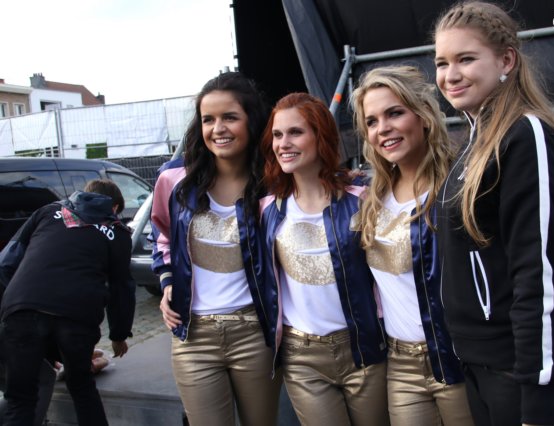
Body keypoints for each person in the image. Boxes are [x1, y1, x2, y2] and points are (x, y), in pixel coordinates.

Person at [433, 2, 554, 425]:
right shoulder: (473, 140)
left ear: (506, 61)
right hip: (480, 365)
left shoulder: (525, 135)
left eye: (466, 59)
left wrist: (537, 393)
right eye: (442, 63)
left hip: (519, 374)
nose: (450, 75)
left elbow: (535, 274)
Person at [150, 72, 281, 426]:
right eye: (208, 119)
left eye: (230, 117)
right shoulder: (174, 180)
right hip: (194, 336)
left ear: (251, 121)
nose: (218, 129)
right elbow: (161, 237)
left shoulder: (275, 182)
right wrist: (167, 280)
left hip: (255, 333)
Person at [351, 65, 473, 426]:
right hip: (401, 366)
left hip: (458, 360)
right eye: (372, 121)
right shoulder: (371, 198)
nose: (383, 128)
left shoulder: (458, 186)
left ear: (423, 116)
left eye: (394, 113)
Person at [260, 92, 389, 426]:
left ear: (321, 136)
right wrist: (169, 279)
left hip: (364, 349)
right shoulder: (267, 211)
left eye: (295, 132)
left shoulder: (363, 200)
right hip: (303, 357)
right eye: (277, 134)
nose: (283, 143)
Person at [0, 179, 135, 426]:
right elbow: (121, 288)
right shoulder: (118, 232)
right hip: (77, 314)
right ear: (114, 207)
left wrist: (22, 299)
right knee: (82, 386)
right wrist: (119, 334)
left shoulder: (47, 211)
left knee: (20, 398)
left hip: (22, 310)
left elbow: (6, 262)